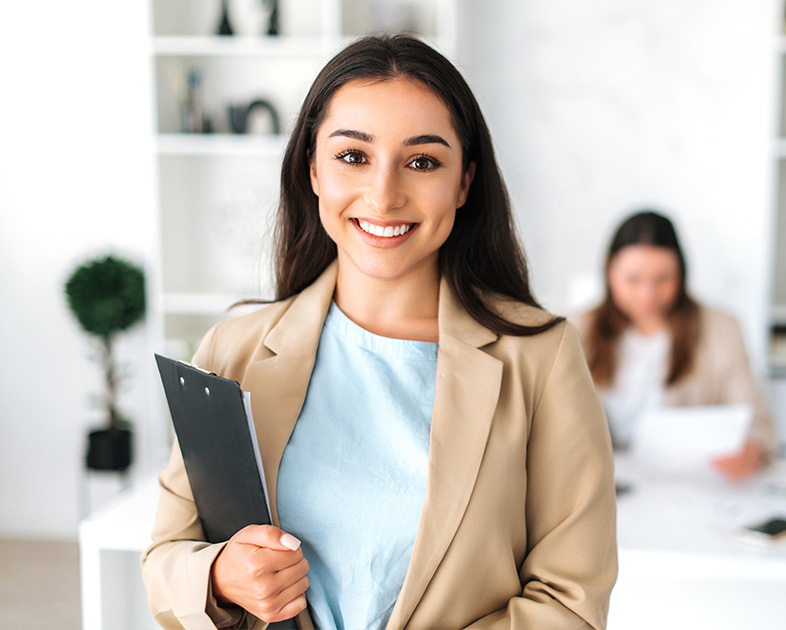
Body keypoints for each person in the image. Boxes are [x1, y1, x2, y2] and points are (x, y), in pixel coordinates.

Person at [141, 35, 617, 630]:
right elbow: (165, 558)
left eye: (422, 161)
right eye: (353, 156)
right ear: (312, 169)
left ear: (464, 183)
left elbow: (570, 602)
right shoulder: (233, 348)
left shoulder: (540, 358)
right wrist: (218, 577)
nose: (385, 194)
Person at [575, 210, 776, 481]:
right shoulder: (576, 331)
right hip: (601, 485)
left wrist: (752, 451)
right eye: (633, 279)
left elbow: (759, 425)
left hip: (688, 486)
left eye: (663, 279)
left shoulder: (721, 329)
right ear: (609, 270)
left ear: (681, 272)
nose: (648, 295)